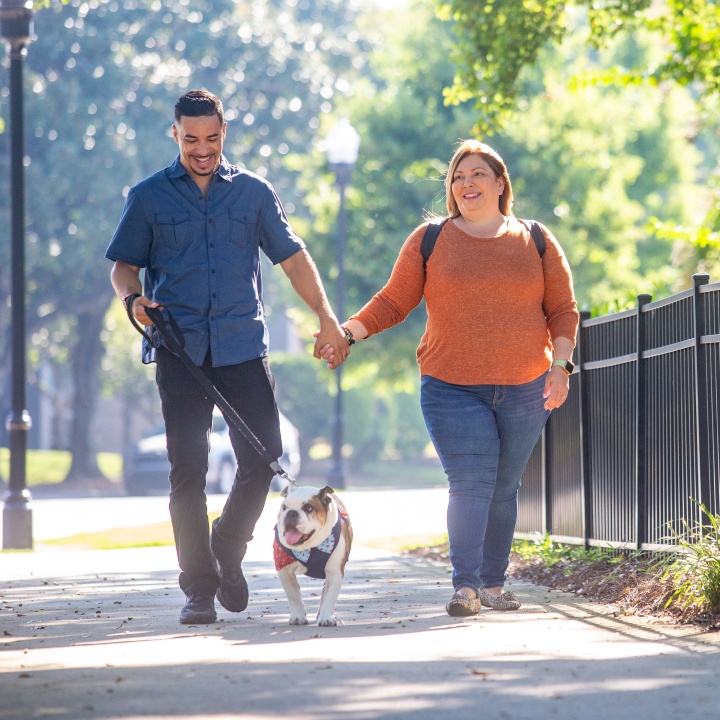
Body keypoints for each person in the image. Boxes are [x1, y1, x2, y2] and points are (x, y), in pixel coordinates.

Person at [106, 89, 349, 625]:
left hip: (242, 346)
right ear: (175, 135)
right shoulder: (148, 198)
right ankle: (198, 588)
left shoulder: (254, 194)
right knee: (187, 471)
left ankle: (227, 545)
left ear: (224, 133)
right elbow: (123, 266)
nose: (202, 149)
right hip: (179, 349)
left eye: (211, 139)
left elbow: (292, 257)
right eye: (191, 139)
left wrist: (327, 318)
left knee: (264, 459)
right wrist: (133, 299)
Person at [321, 139, 578, 616]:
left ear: (500, 184)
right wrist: (347, 333)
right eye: (458, 177)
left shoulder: (536, 239)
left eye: (477, 174)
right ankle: (466, 587)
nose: (466, 183)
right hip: (451, 385)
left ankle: (494, 584)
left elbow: (563, 311)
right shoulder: (431, 239)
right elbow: (394, 302)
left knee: (504, 488)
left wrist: (560, 366)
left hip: (526, 385)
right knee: (470, 482)